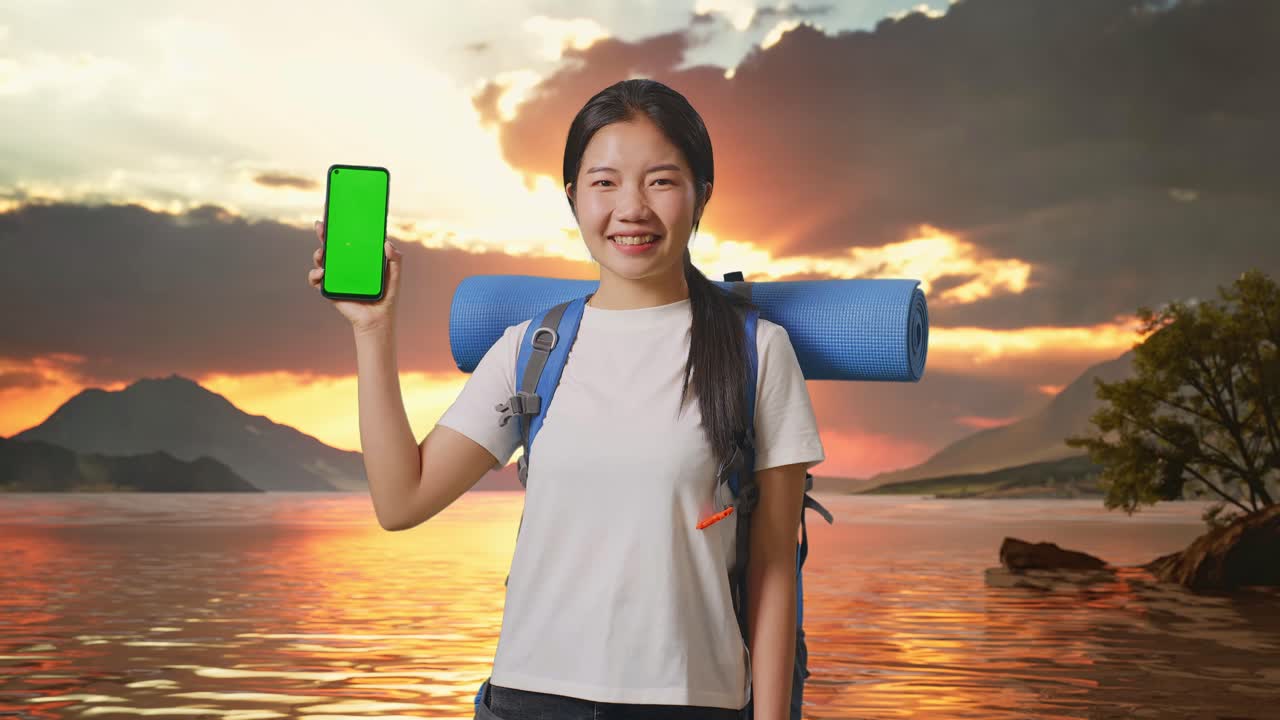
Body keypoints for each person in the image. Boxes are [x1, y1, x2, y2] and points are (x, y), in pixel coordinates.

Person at [309, 77, 825, 720]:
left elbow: (775, 569)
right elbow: (400, 500)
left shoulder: (758, 351)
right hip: (531, 695)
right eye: (605, 182)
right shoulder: (533, 350)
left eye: (661, 180)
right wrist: (373, 329)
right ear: (574, 197)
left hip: (690, 700)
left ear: (701, 196)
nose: (631, 207)